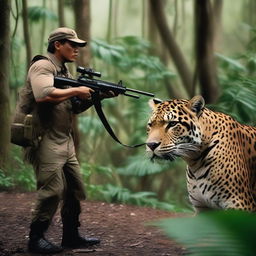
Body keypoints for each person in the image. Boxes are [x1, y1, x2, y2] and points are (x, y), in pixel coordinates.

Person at [22, 27, 114, 254]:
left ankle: (71, 236)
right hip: (45, 139)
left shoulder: (64, 71)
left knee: (74, 189)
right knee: (52, 190)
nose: (76, 50)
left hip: (64, 140)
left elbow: (74, 107)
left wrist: (97, 95)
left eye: (78, 46)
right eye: (72, 45)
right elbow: (43, 94)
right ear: (57, 45)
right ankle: (35, 239)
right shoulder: (42, 66)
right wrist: (76, 91)